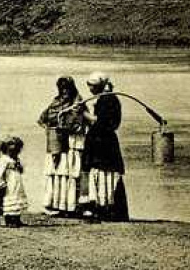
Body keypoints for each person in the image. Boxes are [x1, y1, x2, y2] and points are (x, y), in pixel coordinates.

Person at [76, 72, 129, 221]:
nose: (90, 89)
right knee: (100, 173)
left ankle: (104, 207)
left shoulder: (108, 100)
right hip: (101, 141)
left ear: (100, 85)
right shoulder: (105, 98)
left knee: (103, 172)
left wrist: (83, 113)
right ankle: (103, 206)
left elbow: (100, 122)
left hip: (103, 142)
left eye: (92, 86)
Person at [38, 76, 88, 216]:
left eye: (67, 88)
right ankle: (55, 205)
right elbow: (42, 119)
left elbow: (81, 124)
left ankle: (71, 206)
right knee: (56, 174)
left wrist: (70, 128)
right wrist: (51, 131)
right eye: (62, 88)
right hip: (56, 143)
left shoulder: (78, 102)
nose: (64, 91)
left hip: (71, 144)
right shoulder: (55, 102)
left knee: (70, 174)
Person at [0, 136, 28, 227]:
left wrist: (19, 166)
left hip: (17, 182)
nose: (13, 153)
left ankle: (17, 219)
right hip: (9, 183)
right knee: (9, 199)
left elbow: (21, 171)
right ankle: (9, 220)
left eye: (16, 151)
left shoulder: (17, 159)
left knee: (17, 199)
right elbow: (0, 172)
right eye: (11, 151)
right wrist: (1, 182)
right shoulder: (4, 159)